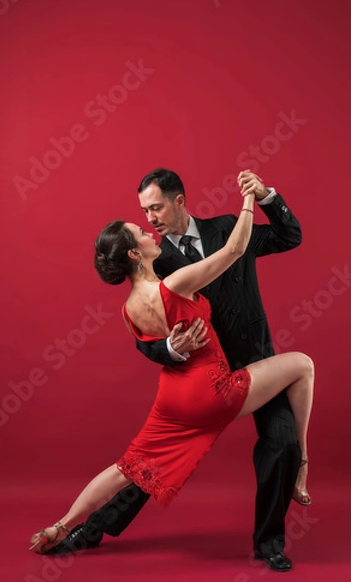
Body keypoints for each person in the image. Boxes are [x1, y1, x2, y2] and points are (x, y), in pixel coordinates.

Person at [30, 183, 314, 572]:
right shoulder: (160, 264)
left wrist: (264, 195)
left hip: (227, 368)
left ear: (179, 200)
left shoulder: (219, 229)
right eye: (143, 215)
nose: (150, 221)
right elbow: (152, 339)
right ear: (134, 252)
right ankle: (90, 530)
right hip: (208, 380)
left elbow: (289, 236)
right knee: (303, 367)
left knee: (136, 466)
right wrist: (171, 348)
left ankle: (269, 544)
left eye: (155, 208)